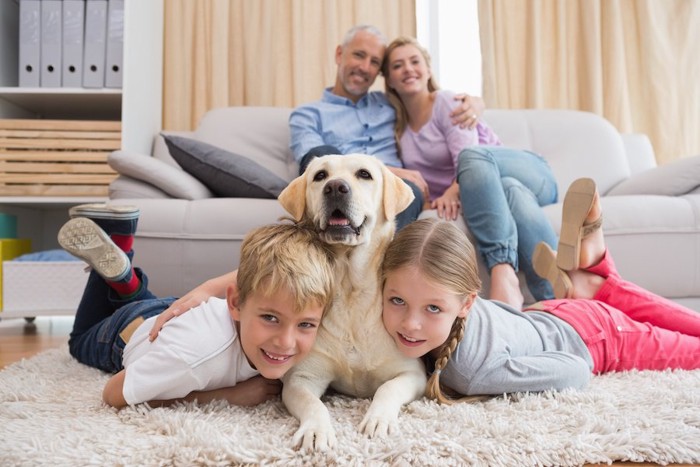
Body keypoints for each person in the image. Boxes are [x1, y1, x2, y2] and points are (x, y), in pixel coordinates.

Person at [381, 178, 700, 404]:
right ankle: (596, 279)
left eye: (432, 309)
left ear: (467, 303)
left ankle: (596, 283)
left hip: (597, 337)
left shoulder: (472, 373)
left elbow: (575, 369)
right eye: (397, 301)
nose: (410, 324)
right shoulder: (451, 300)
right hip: (550, 312)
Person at [59, 204, 335, 409]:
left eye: (305, 324)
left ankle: (128, 282)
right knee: (79, 341)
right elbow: (113, 394)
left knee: (146, 305)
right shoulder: (189, 359)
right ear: (236, 303)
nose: (286, 342)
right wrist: (229, 396)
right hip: (126, 334)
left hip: (178, 311)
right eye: (271, 318)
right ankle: (118, 242)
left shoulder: (266, 299)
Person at [381, 36, 559, 308]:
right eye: (397, 65)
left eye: (415, 61)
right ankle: (555, 299)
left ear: (428, 70)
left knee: (473, 157)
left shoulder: (449, 103)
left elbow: (468, 158)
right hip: (501, 189)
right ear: (389, 80)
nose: (408, 69)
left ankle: (503, 272)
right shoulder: (398, 128)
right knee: (511, 190)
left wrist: (453, 190)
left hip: (531, 173)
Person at [289, 24, 485, 231]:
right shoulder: (307, 114)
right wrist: (386, 171)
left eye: (374, 62)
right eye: (359, 55)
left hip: (389, 191)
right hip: (340, 190)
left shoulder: (391, 103)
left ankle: (387, 259)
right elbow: (311, 165)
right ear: (339, 54)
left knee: (409, 191)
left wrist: (475, 102)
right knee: (321, 154)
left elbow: (426, 101)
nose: (365, 67)